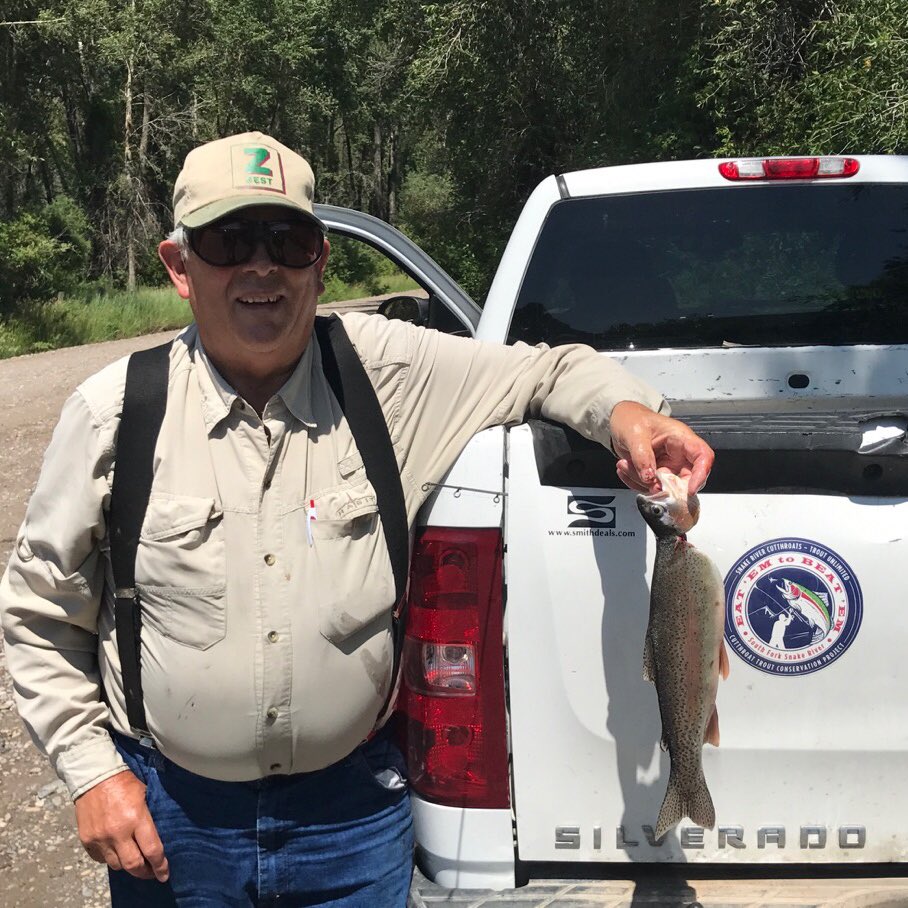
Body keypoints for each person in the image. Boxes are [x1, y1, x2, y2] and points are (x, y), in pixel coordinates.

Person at [0, 131, 714, 906]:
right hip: (175, 821)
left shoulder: (392, 374)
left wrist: (629, 414)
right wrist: (92, 773)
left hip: (353, 819)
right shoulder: (114, 413)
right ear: (179, 266)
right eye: (229, 240)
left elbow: (549, 368)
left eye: (289, 240)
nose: (262, 266)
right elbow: (39, 616)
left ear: (320, 260)